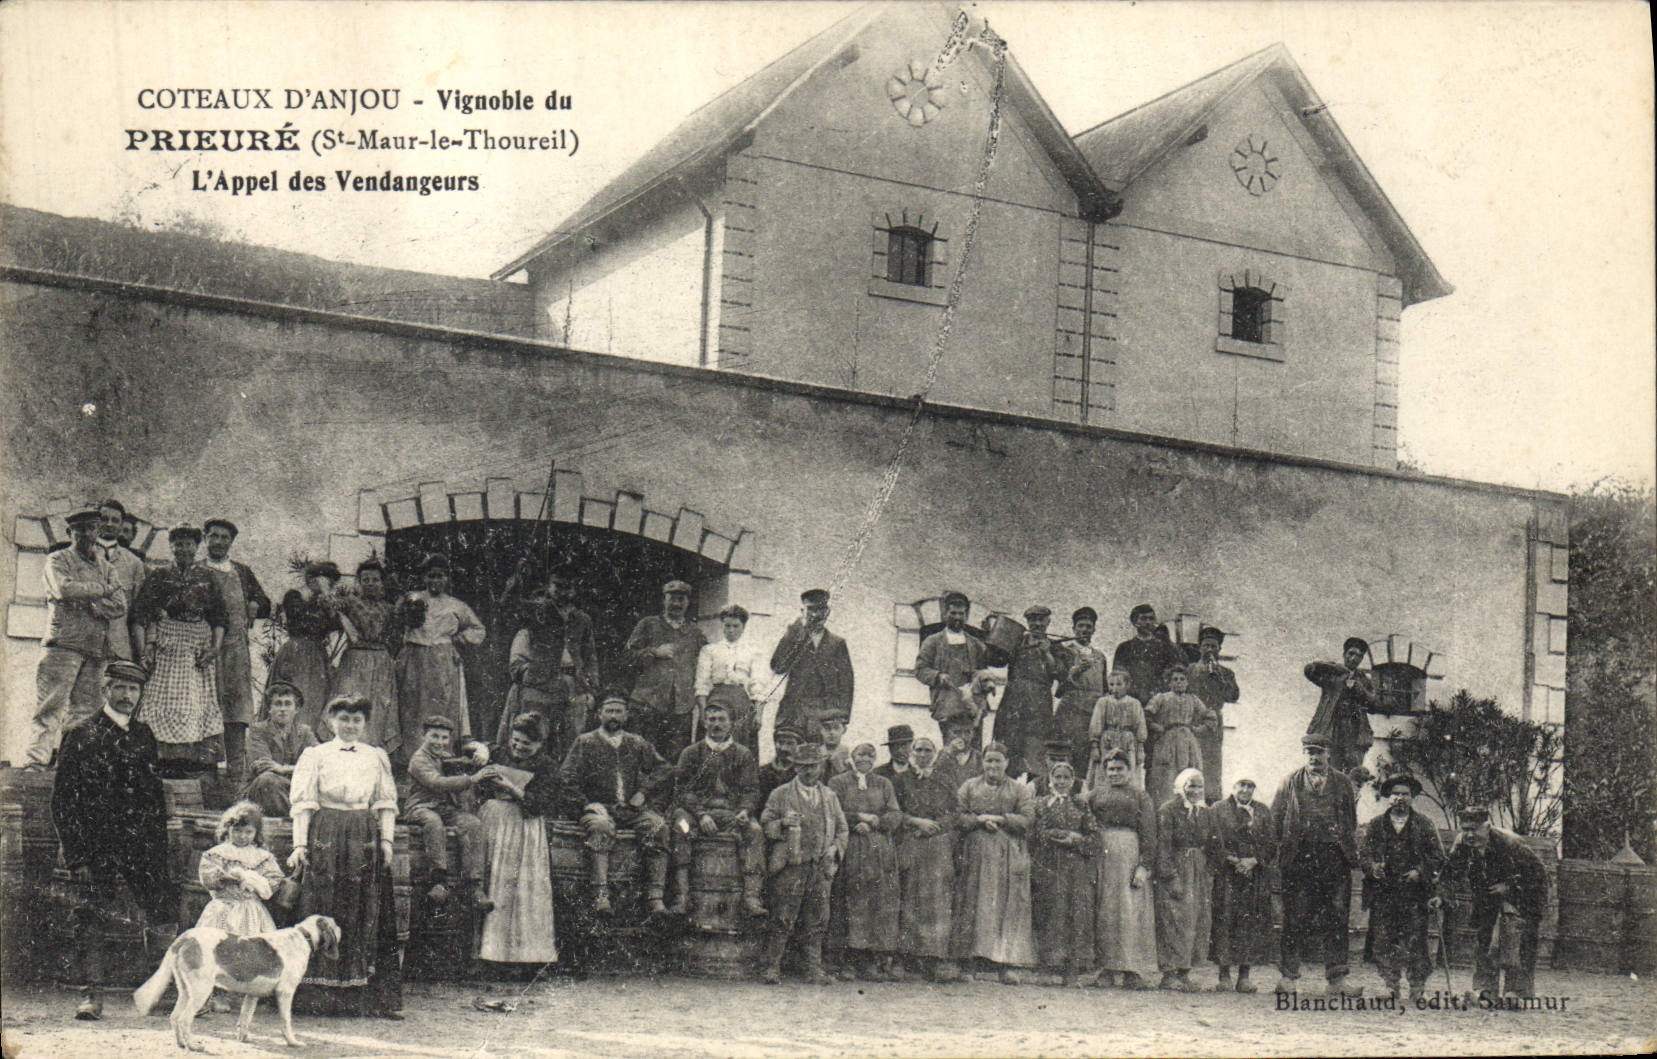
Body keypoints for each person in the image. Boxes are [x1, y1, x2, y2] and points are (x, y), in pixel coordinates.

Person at [50, 660, 178, 1020]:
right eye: (119, 688)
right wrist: (77, 856)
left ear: (140, 694)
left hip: (141, 845)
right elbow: (63, 802)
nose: (126, 696)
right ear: (105, 690)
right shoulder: (81, 734)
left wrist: (158, 850)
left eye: (133, 689)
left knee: (161, 910)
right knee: (91, 915)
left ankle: (162, 994)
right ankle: (91, 996)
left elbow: (153, 799)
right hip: (97, 846)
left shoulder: (144, 736)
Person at [285, 695, 404, 1019]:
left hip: (363, 836)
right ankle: (315, 996)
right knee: (322, 906)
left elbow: (384, 802)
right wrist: (299, 846)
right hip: (326, 833)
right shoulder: (316, 755)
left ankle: (358, 997)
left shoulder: (375, 756)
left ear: (365, 724)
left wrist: (387, 841)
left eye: (357, 720)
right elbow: (304, 803)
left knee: (362, 908)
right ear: (330, 721)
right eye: (344, 719)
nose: (350, 726)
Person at [27, 508, 128, 770]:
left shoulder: (106, 566)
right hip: (63, 645)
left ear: (98, 532)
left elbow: (119, 605)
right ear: (70, 533)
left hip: (95, 649)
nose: (86, 534)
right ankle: (36, 762)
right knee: (51, 705)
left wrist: (91, 603)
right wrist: (101, 591)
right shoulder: (57, 560)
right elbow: (64, 589)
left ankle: (73, 762)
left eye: (91, 529)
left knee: (86, 711)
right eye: (80, 529)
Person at [559, 692, 672, 914]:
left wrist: (643, 792)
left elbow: (665, 769)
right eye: (608, 711)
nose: (613, 716)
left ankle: (655, 896)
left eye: (618, 711)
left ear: (626, 715)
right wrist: (586, 804)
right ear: (599, 714)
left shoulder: (636, 742)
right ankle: (601, 894)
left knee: (658, 827)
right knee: (600, 826)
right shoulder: (585, 742)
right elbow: (565, 778)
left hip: (629, 810)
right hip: (599, 809)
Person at [132, 524, 228, 777]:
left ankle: (192, 762)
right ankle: (162, 759)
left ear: (197, 547)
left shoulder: (208, 578)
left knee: (195, 702)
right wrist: (144, 652)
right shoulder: (159, 575)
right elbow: (140, 616)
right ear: (171, 547)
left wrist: (214, 649)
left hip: (197, 646)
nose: (183, 549)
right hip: (167, 644)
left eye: (188, 544)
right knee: (161, 700)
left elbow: (220, 619)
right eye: (178, 544)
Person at [1271, 734, 1362, 998]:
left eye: (1319, 752)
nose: (1314, 757)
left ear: (1328, 754)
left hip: (1334, 858)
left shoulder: (1343, 783)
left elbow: (1350, 821)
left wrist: (1342, 847)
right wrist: (1282, 851)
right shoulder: (1290, 781)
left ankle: (1337, 980)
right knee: (1295, 917)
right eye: (1309, 752)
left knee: (1336, 917)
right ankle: (1288, 978)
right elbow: (1276, 817)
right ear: (1303, 754)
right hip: (1300, 858)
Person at [474, 711, 561, 969]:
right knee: (492, 883)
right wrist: (479, 749)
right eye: (516, 740)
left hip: (524, 828)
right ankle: (487, 955)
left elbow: (541, 804)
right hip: (493, 822)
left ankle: (525, 957)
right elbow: (474, 750)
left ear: (539, 744)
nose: (519, 747)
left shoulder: (546, 767)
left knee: (521, 888)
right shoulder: (499, 753)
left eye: (527, 744)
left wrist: (513, 788)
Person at [1437, 805, 1548, 1002]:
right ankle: (1485, 990)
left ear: (1487, 827)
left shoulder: (1510, 843)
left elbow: (1538, 873)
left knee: (1516, 945)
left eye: (1475, 829)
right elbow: (1450, 872)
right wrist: (1441, 895)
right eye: (1466, 829)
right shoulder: (1462, 844)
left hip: (1521, 901)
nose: (1470, 834)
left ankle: (1517, 992)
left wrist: (1510, 887)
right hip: (1487, 900)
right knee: (1485, 943)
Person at [759, 742, 848, 985]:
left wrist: (834, 849)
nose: (810, 772)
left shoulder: (829, 796)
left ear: (821, 767)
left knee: (818, 919)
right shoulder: (780, 794)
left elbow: (842, 829)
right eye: (804, 767)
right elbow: (765, 825)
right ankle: (772, 967)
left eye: (815, 766)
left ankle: (813, 969)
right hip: (791, 865)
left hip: (820, 866)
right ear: (796, 767)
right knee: (782, 917)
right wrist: (783, 823)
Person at [670, 701, 768, 917]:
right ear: (705, 723)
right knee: (680, 826)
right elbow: (683, 790)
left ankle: (752, 897)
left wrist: (744, 810)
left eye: (722, 719)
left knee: (755, 831)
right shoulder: (691, 753)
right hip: (695, 815)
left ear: (731, 723)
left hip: (731, 814)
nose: (716, 724)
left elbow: (751, 789)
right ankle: (682, 895)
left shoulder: (743, 754)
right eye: (711, 719)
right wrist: (701, 814)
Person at [951, 742, 1037, 982]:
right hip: (976, 853)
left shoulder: (1018, 790)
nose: (993, 765)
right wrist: (979, 820)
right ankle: (969, 962)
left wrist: (1001, 819)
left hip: (1007, 854)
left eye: (998, 760)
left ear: (1006, 763)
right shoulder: (969, 786)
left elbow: (1028, 819)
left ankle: (1005, 964)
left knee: (1006, 905)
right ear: (982, 763)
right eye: (989, 760)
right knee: (974, 903)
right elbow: (957, 814)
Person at [1360, 773, 1445, 1002]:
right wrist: (1372, 867)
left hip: (1414, 894)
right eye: (1395, 794)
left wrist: (1420, 871)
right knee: (1384, 940)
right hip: (1384, 893)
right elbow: (1364, 853)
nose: (1400, 798)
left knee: (1416, 940)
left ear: (1412, 797)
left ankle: (1417, 986)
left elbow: (1437, 856)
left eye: (1405, 794)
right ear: (1388, 797)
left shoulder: (1424, 824)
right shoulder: (1376, 824)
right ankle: (1390, 985)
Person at [200, 517, 272, 788]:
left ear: (231, 542)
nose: (218, 542)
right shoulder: (197, 570)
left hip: (235, 652)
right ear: (205, 539)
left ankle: (236, 779)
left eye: (224, 538)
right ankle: (206, 777)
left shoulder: (241, 572)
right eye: (213, 536)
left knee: (236, 712)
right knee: (206, 709)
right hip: (204, 651)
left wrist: (253, 603)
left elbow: (265, 603)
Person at [499, 572, 598, 759]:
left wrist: (591, 688)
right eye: (557, 586)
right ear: (549, 586)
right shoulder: (539, 611)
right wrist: (516, 581)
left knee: (568, 742)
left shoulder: (583, 620)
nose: (562, 592)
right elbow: (509, 606)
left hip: (572, 687)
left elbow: (590, 656)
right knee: (534, 735)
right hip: (540, 684)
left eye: (567, 588)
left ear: (574, 590)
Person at [827, 742, 903, 980]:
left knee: (876, 903)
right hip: (850, 848)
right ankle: (847, 960)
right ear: (852, 757)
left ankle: (870, 960)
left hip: (877, 850)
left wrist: (875, 822)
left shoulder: (883, 783)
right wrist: (856, 818)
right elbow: (832, 811)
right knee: (849, 902)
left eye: (870, 755)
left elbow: (895, 814)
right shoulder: (838, 782)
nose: (865, 759)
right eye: (861, 754)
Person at [397, 554, 486, 751]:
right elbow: (396, 621)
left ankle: (440, 753)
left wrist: (457, 639)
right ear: (424, 578)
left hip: (442, 661)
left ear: (446, 579)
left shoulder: (456, 605)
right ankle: (411, 754)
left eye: (440, 576)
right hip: (415, 658)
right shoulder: (413, 598)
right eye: (431, 576)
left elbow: (478, 630)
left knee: (442, 705)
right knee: (412, 705)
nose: (435, 581)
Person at [1087, 748, 1158, 989]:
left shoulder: (1141, 796)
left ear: (1129, 771)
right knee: (1106, 910)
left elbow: (1149, 833)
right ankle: (1107, 968)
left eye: (1120, 769)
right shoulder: (1095, 795)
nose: (1115, 773)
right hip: (1103, 854)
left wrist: (1144, 867)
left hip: (1130, 853)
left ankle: (1131, 970)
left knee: (1130, 911)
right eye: (1111, 769)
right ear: (1104, 771)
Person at [401, 715, 490, 908]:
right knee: (433, 822)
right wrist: (471, 779)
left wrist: (480, 752)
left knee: (473, 824)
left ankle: (474, 885)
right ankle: (438, 881)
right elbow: (437, 783)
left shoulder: (448, 758)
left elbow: (469, 754)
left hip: (445, 810)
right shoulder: (419, 759)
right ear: (423, 736)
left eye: (444, 738)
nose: (439, 742)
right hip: (421, 807)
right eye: (434, 736)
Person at [891, 735, 959, 982]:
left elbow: (956, 812)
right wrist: (915, 822)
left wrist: (937, 826)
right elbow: (893, 811)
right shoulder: (900, 781)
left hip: (938, 844)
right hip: (910, 842)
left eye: (928, 750)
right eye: (918, 750)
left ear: (934, 753)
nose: (923, 754)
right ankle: (906, 957)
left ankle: (934, 957)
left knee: (936, 900)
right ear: (911, 753)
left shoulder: (945, 780)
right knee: (909, 896)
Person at [1032, 758, 1098, 986]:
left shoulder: (1081, 804)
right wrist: (1067, 837)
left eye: (1066, 778)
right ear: (1050, 780)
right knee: (1051, 910)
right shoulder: (1041, 804)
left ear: (1072, 781)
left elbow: (1093, 836)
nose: (1061, 782)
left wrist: (1078, 841)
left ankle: (1073, 967)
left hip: (1076, 866)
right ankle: (1050, 965)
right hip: (1049, 863)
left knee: (1075, 912)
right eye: (1057, 777)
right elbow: (1039, 833)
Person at [624, 579, 706, 762]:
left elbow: (706, 666)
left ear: (687, 602)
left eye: (681, 599)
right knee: (643, 757)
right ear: (664, 600)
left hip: (681, 709)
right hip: (648, 704)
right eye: (672, 599)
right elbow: (627, 657)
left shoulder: (695, 632)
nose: (676, 604)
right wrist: (654, 652)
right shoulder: (648, 624)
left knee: (676, 760)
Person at [1209, 777, 1277, 993]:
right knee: (1225, 920)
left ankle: (1245, 976)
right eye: (1241, 785)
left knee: (1251, 922)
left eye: (1250, 786)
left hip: (1253, 876)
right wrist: (1231, 859)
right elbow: (1213, 840)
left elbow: (1271, 842)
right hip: (1227, 874)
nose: (1245, 790)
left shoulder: (1263, 812)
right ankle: (1224, 975)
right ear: (1233, 787)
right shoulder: (1218, 809)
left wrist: (1254, 860)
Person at [1155, 768, 1216, 992]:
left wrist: (1209, 871)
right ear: (1181, 787)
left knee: (1196, 921)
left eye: (1199, 786)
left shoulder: (1205, 812)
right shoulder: (1168, 810)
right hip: (1177, 867)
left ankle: (1184, 973)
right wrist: (1170, 876)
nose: (1195, 790)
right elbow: (1163, 845)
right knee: (1173, 919)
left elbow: (1212, 844)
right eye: (1191, 785)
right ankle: (1169, 973)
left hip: (1198, 871)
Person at [332, 559, 401, 755]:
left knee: (378, 708)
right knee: (350, 703)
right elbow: (330, 608)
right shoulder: (350, 602)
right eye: (365, 579)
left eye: (375, 580)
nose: (370, 583)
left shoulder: (389, 608)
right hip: (355, 661)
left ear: (382, 583)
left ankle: (372, 755)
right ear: (359, 582)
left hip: (381, 662)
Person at [270, 561, 342, 742]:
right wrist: (324, 598)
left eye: (331, 584)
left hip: (317, 656)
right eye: (326, 581)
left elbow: (335, 624)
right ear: (312, 579)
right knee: (295, 698)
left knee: (315, 703)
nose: (329, 587)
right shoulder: (294, 596)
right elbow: (306, 623)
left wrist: (326, 597)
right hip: (296, 653)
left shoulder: (324, 601)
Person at [769, 588, 854, 739]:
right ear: (802, 611)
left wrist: (842, 716)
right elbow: (778, 667)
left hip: (825, 712)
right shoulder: (794, 636)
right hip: (796, 710)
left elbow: (846, 682)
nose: (815, 615)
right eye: (811, 609)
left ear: (827, 612)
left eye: (820, 609)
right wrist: (794, 632)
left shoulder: (837, 643)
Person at [196, 800, 286, 936]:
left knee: (251, 944)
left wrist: (257, 882)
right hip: (223, 907)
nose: (242, 836)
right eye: (237, 831)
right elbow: (207, 876)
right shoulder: (218, 853)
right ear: (228, 829)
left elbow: (274, 879)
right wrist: (224, 877)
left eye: (248, 832)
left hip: (251, 910)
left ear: (256, 833)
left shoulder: (262, 856)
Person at [995, 605, 1062, 780]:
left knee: (1036, 759)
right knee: (1010, 756)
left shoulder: (1055, 647)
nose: (1037, 624)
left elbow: (1059, 673)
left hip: (1039, 710)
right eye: (1033, 620)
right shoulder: (1016, 642)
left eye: (1041, 619)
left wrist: (1047, 653)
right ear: (1027, 622)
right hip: (1013, 706)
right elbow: (996, 659)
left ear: (1048, 622)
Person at [694, 603, 768, 754]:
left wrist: (759, 714)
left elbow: (758, 685)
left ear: (743, 627)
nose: (731, 630)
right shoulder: (710, 650)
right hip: (715, 701)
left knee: (740, 749)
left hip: (741, 703)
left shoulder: (754, 651)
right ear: (722, 626)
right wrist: (703, 711)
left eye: (736, 626)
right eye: (727, 626)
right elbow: (702, 683)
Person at [241, 681, 319, 816]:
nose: (283, 709)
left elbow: (320, 763)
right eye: (278, 704)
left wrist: (283, 769)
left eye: (288, 704)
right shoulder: (258, 731)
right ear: (269, 709)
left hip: (293, 789)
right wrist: (300, 770)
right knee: (267, 780)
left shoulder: (304, 732)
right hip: (260, 794)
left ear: (296, 709)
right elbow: (263, 767)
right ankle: (300, 818)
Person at [1144, 665, 1218, 806]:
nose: (1178, 682)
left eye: (1182, 679)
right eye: (1175, 679)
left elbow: (1210, 717)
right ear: (1169, 682)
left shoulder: (1193, 700)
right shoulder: (1162, 698)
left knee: (1189, 774)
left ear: (1187, 682)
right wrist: (1157, 727)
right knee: (1166, 777)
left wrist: (1198, 729)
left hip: (1188, 741)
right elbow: (1146, 716)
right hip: (1167, 741)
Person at [915, 591, 988, 734]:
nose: (957, 618)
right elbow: (920, 670)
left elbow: (983, 671)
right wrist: (937, 676)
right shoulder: (933, 642)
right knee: (951, 749)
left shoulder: (975, 644)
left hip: (973, 708)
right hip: (947, 706)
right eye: (953, 613)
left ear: (966, 616)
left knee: (974, 752)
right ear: (945, 614)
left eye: (961, 614)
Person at [1304, 637, 1377, 776]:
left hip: (1354, 732)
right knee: (1328, 769)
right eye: (1351, 654)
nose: (1354, 658)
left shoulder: (1363, 680)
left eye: (1359, 656)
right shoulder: (1332, 675)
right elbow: (1309, 670)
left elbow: (1374, 705)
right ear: (1344, 655)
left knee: (1352, 772)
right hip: (1332, 729)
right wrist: (1335, 668)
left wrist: (1357, 688)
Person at [1053, 608, 1107, 783]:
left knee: (1088, 760)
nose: (1084, 630)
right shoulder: (1064, 651)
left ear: (1094, 629)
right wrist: (1074, 672)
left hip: (1092, 714)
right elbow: (1060, 689)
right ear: (1073, 628)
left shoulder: (1100, 657)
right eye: (1081, 626)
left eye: (1088, 626)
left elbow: (1105, 688)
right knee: (1068, 757)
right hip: (1071, 713)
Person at [1186, 626, 1239, 798]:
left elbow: (1233, 696)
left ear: (1219, 649)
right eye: (1206, 646)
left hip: (1214, 723)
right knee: (1191, 761)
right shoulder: (1190, 670)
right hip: (1192, 720)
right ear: (1199, 648)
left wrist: (1219, 676)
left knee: (1212, 765)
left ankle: (1212, 802)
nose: (1209, 650)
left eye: (1213, 646)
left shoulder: (1225, 672)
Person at [94, 499, 146, 663]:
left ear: (122, 524)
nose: (109, 524)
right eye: (104, 519)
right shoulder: (80, 555)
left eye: (115, 520)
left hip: (118, 646)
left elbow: (139, 611)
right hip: (84, 645)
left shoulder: (133, 563)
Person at [1111, 604, 1183, 716]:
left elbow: (1174, 675)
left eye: (1151, 618)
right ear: (1135, 622)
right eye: (1143, 619)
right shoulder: (1124, 648)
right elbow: (1117, 677)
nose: (1148, 622)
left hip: (1159, 703)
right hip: (1132, 703)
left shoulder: (1166, 647)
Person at [1089, 668, 1147, 789]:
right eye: (1112, 684)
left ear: (1127, 685)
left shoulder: (1134, 703)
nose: (1115, 688)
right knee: (1106, 770)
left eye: (1119, 684)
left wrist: (1140, 749)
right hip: (1108, 740)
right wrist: (1094, 746)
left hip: (1128, 741)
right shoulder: (1103, 702)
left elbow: (1140, 726)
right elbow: (1096, 723)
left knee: (1129, 770)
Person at [757, 724, 802, 809]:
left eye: (790, 743)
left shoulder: (802, 773)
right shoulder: (763, 772)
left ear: (799, 746)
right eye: (780, 742)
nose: (784, 748)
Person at [939, 712, 983, 782]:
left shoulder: (980, 758)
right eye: (957, 732)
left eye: (967, 732)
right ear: (947, 733)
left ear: (973, 734)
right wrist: (949, 753)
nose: (963, 737)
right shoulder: (939, 756)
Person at [818, 714, 852, 778]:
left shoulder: (850, 755)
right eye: (827, 728)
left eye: (836, 728)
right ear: (820, 730)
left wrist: (841, 768)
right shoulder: (816, 754)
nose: (831, 732)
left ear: (844, 730)